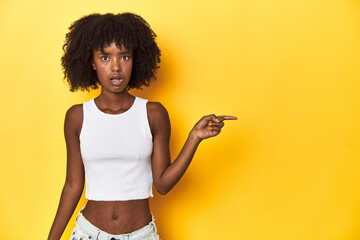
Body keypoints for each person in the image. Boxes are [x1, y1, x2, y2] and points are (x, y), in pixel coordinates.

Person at [48, 12, 237, 240]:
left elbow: (163, 185)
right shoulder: (77, 117)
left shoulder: (153, 114)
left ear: (135, 60)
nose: (116, 67)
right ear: (92, 61)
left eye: (124, 57)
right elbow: (72, 186)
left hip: (141, 235)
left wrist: (193, 138)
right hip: (89, 234)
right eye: (105, 58)